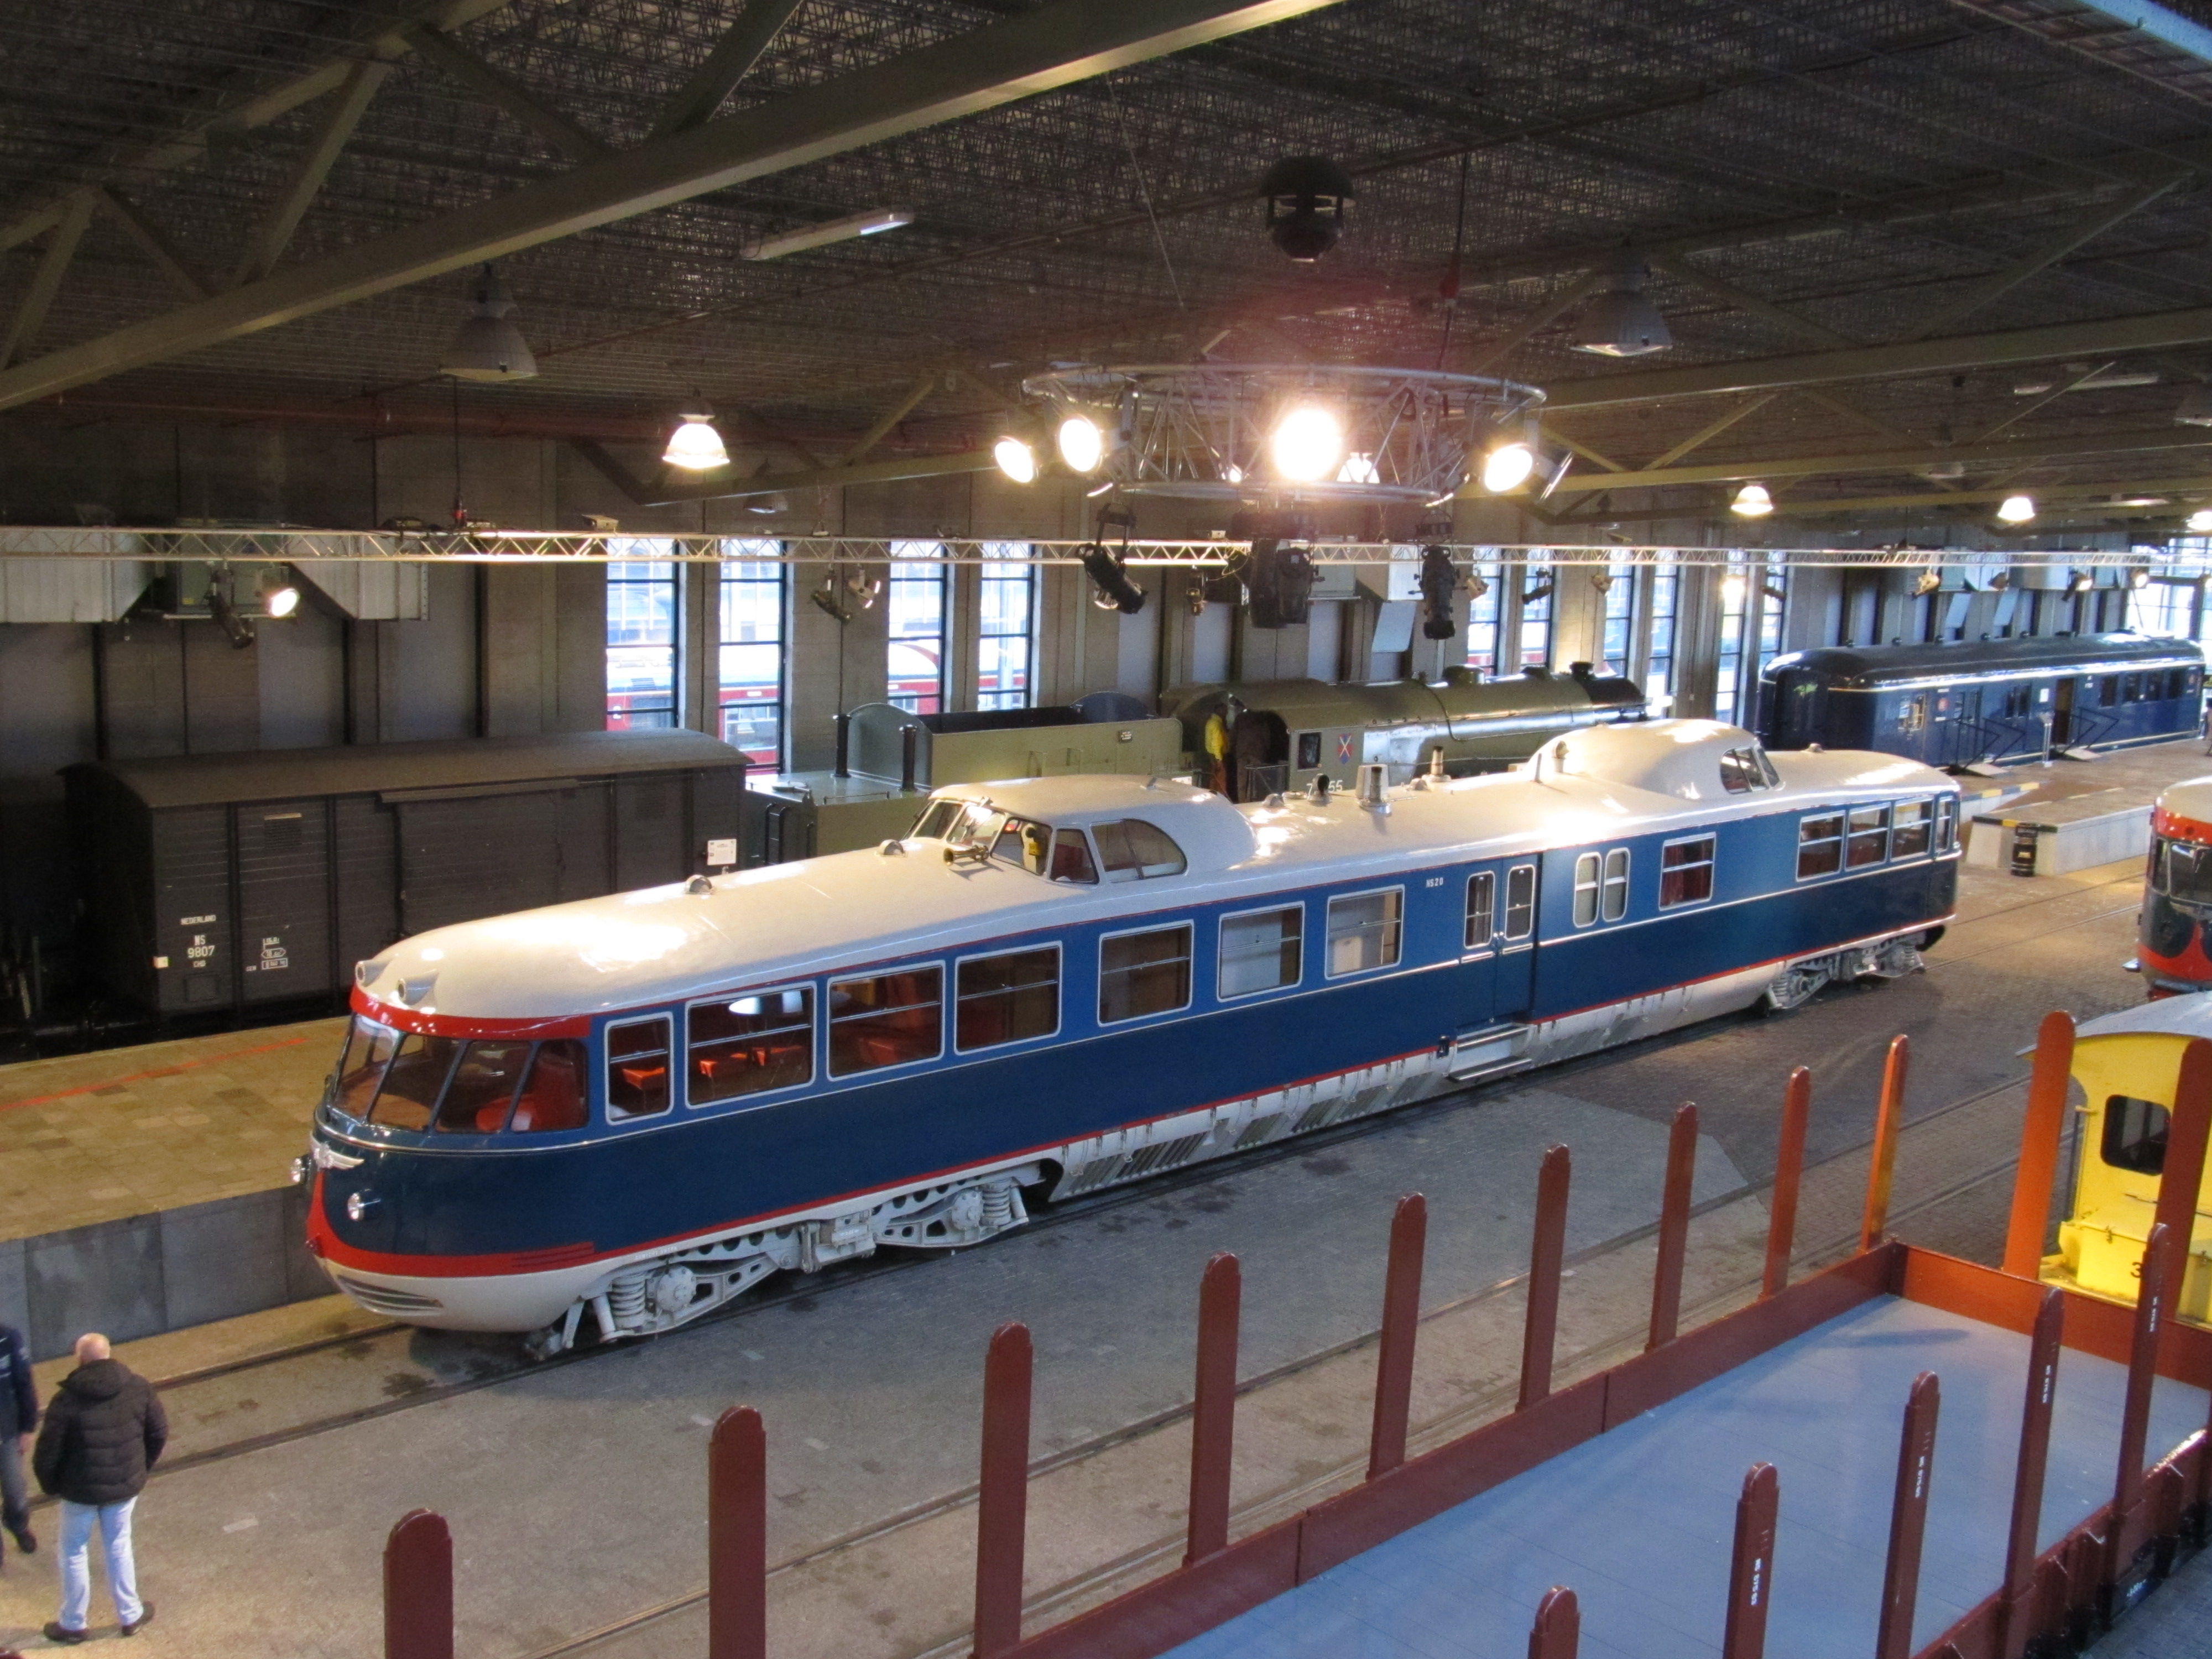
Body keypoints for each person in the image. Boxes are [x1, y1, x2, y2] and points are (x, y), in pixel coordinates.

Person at [32, 1335, 165, 1643]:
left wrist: (52, 1485)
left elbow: (48, 1451)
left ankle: (74, 1623)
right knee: (119, 1545)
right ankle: (130, 1615)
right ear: (109, 1355)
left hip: (79, 1492)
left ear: (80, 1360)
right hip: (122, 1489)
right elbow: (158, 1431)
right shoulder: (137, 1387)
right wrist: (139, 1470)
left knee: (74, 1552)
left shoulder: (66, 1400)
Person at [0, 1319, 34, 1557]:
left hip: (7, 1430)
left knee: (15, 1492)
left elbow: (25, 1383)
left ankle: (17, 1524)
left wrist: (28, 1427)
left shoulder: (8, 1338)